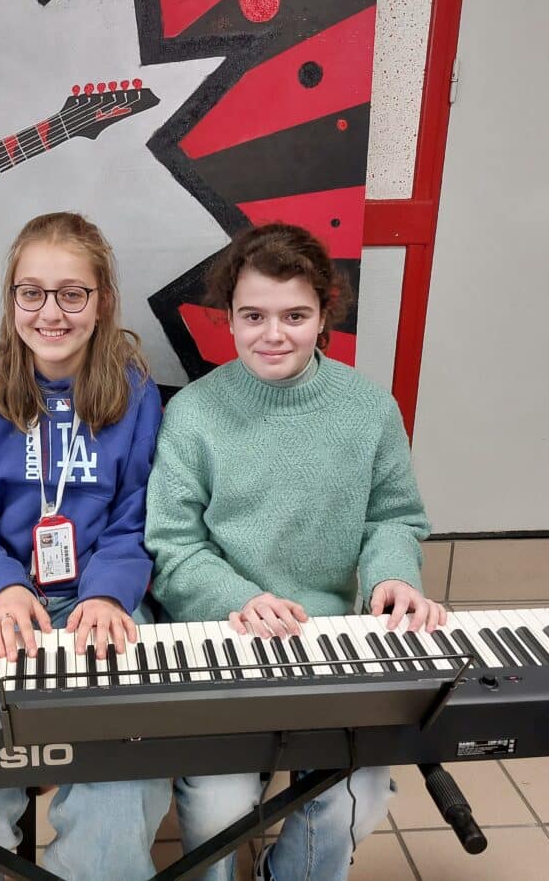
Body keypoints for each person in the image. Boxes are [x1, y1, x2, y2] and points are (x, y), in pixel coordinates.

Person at [144, 223, 446, 881]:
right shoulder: (193, 413)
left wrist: (393, 577)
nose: (273, 334)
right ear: (228, 317)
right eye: (253, 315)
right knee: (219, 809)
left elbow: (393, 517)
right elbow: (172, 542)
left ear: (324, 314)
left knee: (358, 793)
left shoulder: (368, 409)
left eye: (295, 316)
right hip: (223, 633)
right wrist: (239, 599)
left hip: (328, 635)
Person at [0, 212, 170, 880]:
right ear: (12, 299)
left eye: (71, 294)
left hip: (98, 598)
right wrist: (0, 589)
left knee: (126, 776)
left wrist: (108, 594)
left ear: (102, 301)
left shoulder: (135, 391)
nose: (50, 313)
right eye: (31, 292)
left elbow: (137, 517)